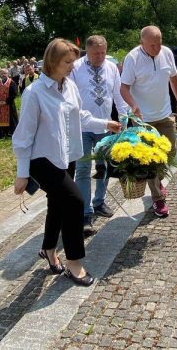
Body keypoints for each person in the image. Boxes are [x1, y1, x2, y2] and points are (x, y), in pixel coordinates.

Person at [12, 38, 121, 287]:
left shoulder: (69, 85)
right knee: (74, 201)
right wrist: (22, 173)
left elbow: (79, 115)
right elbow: (23, 137)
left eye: (73, 61)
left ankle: (49, 249)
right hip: (42, 159)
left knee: (58, 204)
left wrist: (105, 123)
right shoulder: (34, 93)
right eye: (67, 62)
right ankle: (74, 263)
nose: (73, 66)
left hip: (66, 155)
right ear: (52, 62)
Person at [119, 26, 177, 218]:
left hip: (164, 114)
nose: (157, 48)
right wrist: (133, 105)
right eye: (152, 45)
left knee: (171, 151)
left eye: (159, 43)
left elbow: (174, 78)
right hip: (143, 120)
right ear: (142, 42)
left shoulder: (166, 53)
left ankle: (157, 179)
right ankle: (158, 198)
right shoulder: (133, 58)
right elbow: (124, 87)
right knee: (149, 159)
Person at [70, 35, 129, 236]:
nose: (100, 56)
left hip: (106, 126)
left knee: (104, 167)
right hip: (82, 127)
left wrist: (124, 116)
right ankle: (85, 212)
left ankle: (99, 201)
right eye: (96, 53)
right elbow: (71, 100)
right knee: (83, 169)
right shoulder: (75, 68)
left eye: (103, 52)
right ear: (87, 51)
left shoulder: (111, 67)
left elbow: (118, 94)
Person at [0, 68, 19, 139]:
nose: (3, 75)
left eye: (4, 73)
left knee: (11, 118)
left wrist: (6, 101)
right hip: (1, 105)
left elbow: (14, 93)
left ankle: (12, 132)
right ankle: (2, 132)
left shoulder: (11, 82)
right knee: (1, 118)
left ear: (8, 74)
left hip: (9, 104)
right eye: (1, 73)